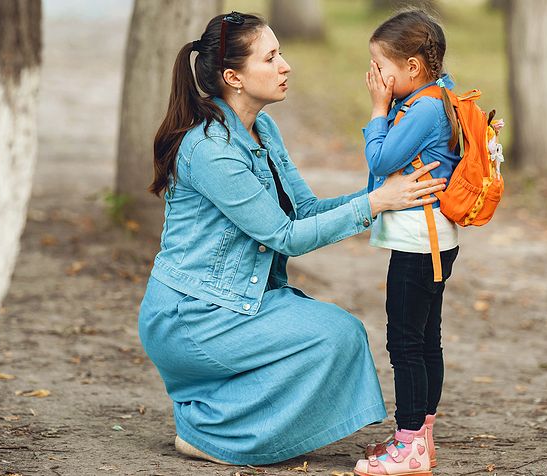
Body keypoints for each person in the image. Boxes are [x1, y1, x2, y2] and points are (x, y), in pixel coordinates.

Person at [137, 11, 447, 467]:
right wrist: (377, 204)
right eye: (271, 57)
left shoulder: (263, 128)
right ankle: (209, 431)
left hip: (242, 300)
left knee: (338, 335)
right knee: (333, 337)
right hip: (194, 315)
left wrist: (383, 191)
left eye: (280, 53)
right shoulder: (212, 150)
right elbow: (286, 236)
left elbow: (304, 210)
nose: (286, 66)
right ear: (233, 78)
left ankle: (217, 413)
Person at [354, 10, 462, 476]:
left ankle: (410, 444)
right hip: (436, 239)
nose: (375, 76)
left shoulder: (424, 108)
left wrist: (378, 109)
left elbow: (381, 157)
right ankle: (421, 439)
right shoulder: (439, 94)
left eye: (382, 67)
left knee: (405, 343)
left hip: (421, 242)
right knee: (424, 339)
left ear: (414, 67)